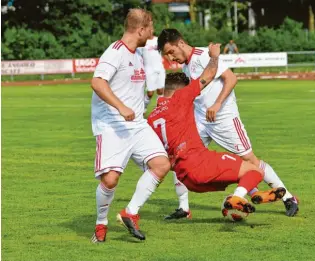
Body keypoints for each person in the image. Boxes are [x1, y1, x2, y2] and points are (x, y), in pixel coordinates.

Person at [156, 29, 299, 219]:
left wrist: (217, 103)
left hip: (224, 118)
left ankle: (288, 197)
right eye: (166, 55)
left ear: (180, 43)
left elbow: (231, 78)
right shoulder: (186, 67)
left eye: (170, 52)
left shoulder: (204, 56)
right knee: (181, 157)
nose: (170, 58)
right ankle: (184, 208)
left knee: (250, 160)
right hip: (201, 121)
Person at [90, 8, 171, 243]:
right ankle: (101, 224)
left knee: (161, 164)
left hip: (136, 125)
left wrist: (146, 99)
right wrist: (121, 107)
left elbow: (131, 88)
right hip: (113, 125)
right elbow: (97, 82)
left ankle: (130, 212)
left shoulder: (138, 54)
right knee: (110, 180)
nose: (153, 34)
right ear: (141, 29)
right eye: (151, 29)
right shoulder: (115, 52)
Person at [140, 36, 166, 114]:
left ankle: (160, 110)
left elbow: (164, 51)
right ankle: (143, 107)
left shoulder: (158, 40)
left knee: (160, 91)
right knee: (150, 93)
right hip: (149, 69)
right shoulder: (142, 42)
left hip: (160, 68)